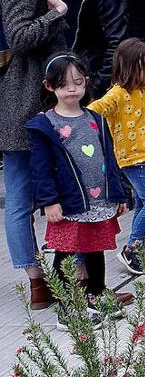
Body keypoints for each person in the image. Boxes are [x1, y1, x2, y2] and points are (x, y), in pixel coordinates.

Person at [26, 53, 130, 327]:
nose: (72, 89)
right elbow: (41, 169)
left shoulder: (95, 118)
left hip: (99, 202)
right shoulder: (45, 125)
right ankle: (69, 305)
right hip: (69, 204)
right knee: (66, 253)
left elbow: (110, 158)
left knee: (96, 250)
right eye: (64, 84)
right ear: (50, 86)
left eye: (78, 82)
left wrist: (118, 194)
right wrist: (49, 202)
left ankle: (97, 296)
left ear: (86, 83)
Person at [1, 0, 69, 309]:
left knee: (27, 192)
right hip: (27, 102)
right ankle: (40, 279)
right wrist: (56, 12)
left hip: (21, 101)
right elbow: (20, 34)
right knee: (28, 192)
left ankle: (49, 280)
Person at [88, 38, 145, 274]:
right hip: (133, 158)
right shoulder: (117, 93)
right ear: (130, 65)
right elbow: (96, 110)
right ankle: (132, 247)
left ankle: (138, 249)